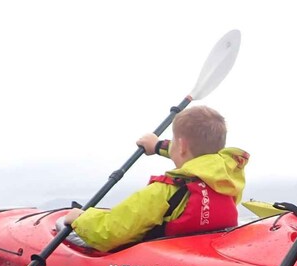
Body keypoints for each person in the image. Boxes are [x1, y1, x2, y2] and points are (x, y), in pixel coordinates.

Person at [63, 105, 249, 252]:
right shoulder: (228, 178)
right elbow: (200, 159)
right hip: (204, 252)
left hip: (165, 256)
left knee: (62, 226)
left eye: (174, 141)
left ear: (182, 145)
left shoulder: (165, 191)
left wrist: (80, 219)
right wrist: (157, 145)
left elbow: (111, 232)